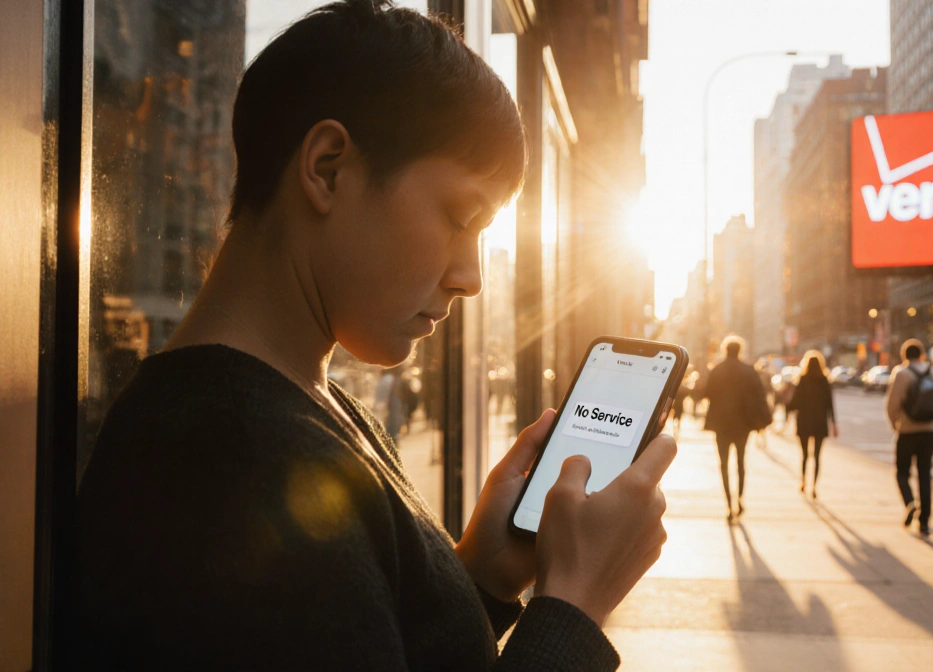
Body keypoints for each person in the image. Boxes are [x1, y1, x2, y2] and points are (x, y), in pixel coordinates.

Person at [73, 3, 675, 670]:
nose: (471, 277)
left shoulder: (300, 406)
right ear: (328, 169)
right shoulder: (227, 459)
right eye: (460, 216)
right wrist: (573, 608)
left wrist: (481, 577)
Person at [702, 336, 770, 523]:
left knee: (723, 464)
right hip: (743, 424)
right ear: (740, 350)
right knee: (740, 462)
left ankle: (728, 505)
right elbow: (760, 395)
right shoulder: (749, 371)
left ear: (725, 350)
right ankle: (740, 499)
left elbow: (706, 393)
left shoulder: (717, 370)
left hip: (721, 425)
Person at [884, 339, 933, 536]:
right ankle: (925, 522)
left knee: (902, 472)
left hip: (907, 432)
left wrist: (896, 426)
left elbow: (892, 405)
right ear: (922, 354)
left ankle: (910, 502)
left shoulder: (901, 373)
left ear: (904, 355)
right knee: (925, 474)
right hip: (929, 432)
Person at [786, 350, 838, 499]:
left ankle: (803, 482)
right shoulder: (824, 381)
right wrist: (834, 423)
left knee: (804, 455)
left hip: (804, 422)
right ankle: (814, 486)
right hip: (820, 423)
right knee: (817, 456)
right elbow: (830, 405)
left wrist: (787, 407)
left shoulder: (802, 380)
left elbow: (794, 403)